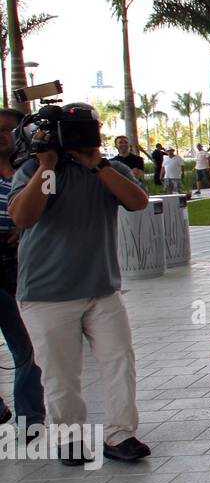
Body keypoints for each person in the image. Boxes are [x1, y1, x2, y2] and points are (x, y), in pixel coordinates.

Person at [9, 103, 153, 463]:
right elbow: (24, 216)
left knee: (119, 361)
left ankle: (121, 435)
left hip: (102, 290)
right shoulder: (34, 169)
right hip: (46, 295)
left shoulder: (108, 170)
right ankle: (69, 438)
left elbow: (138, 202)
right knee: (61, 372)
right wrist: (46, 166)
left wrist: (98, 164)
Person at [0, 108, 44, 434]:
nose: (5, 135)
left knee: (27, 346)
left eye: (10, 130)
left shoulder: (27, 170)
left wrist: (25, 229)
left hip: (21, 266)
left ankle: (30, 419)